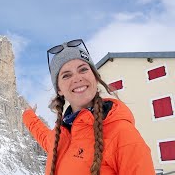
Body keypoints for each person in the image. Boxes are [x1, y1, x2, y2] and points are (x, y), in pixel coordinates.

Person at [22, 39, 155, 175]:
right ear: (59, 90)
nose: (77, 78)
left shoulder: (122, 134)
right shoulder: (59, 137)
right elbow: (43, 135)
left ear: (95, 78)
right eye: (66, 75)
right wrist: (28, 115)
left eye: (83, 69)